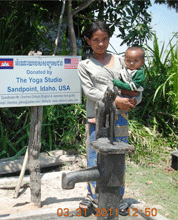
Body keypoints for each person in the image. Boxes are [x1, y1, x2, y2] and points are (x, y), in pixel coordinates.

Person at [77, 20, 142, 216]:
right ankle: (94, 197)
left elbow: (135, 85)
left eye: (104, 39)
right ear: (88, 41)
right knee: (94, 156)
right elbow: (90, 92)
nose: (101, 43)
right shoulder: (85, 65)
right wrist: (116, 101)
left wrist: (133, 101)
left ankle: (118, 197)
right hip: (97, 118)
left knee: (118, 157)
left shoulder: (122, 61)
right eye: (96, 39)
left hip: (120, 118)